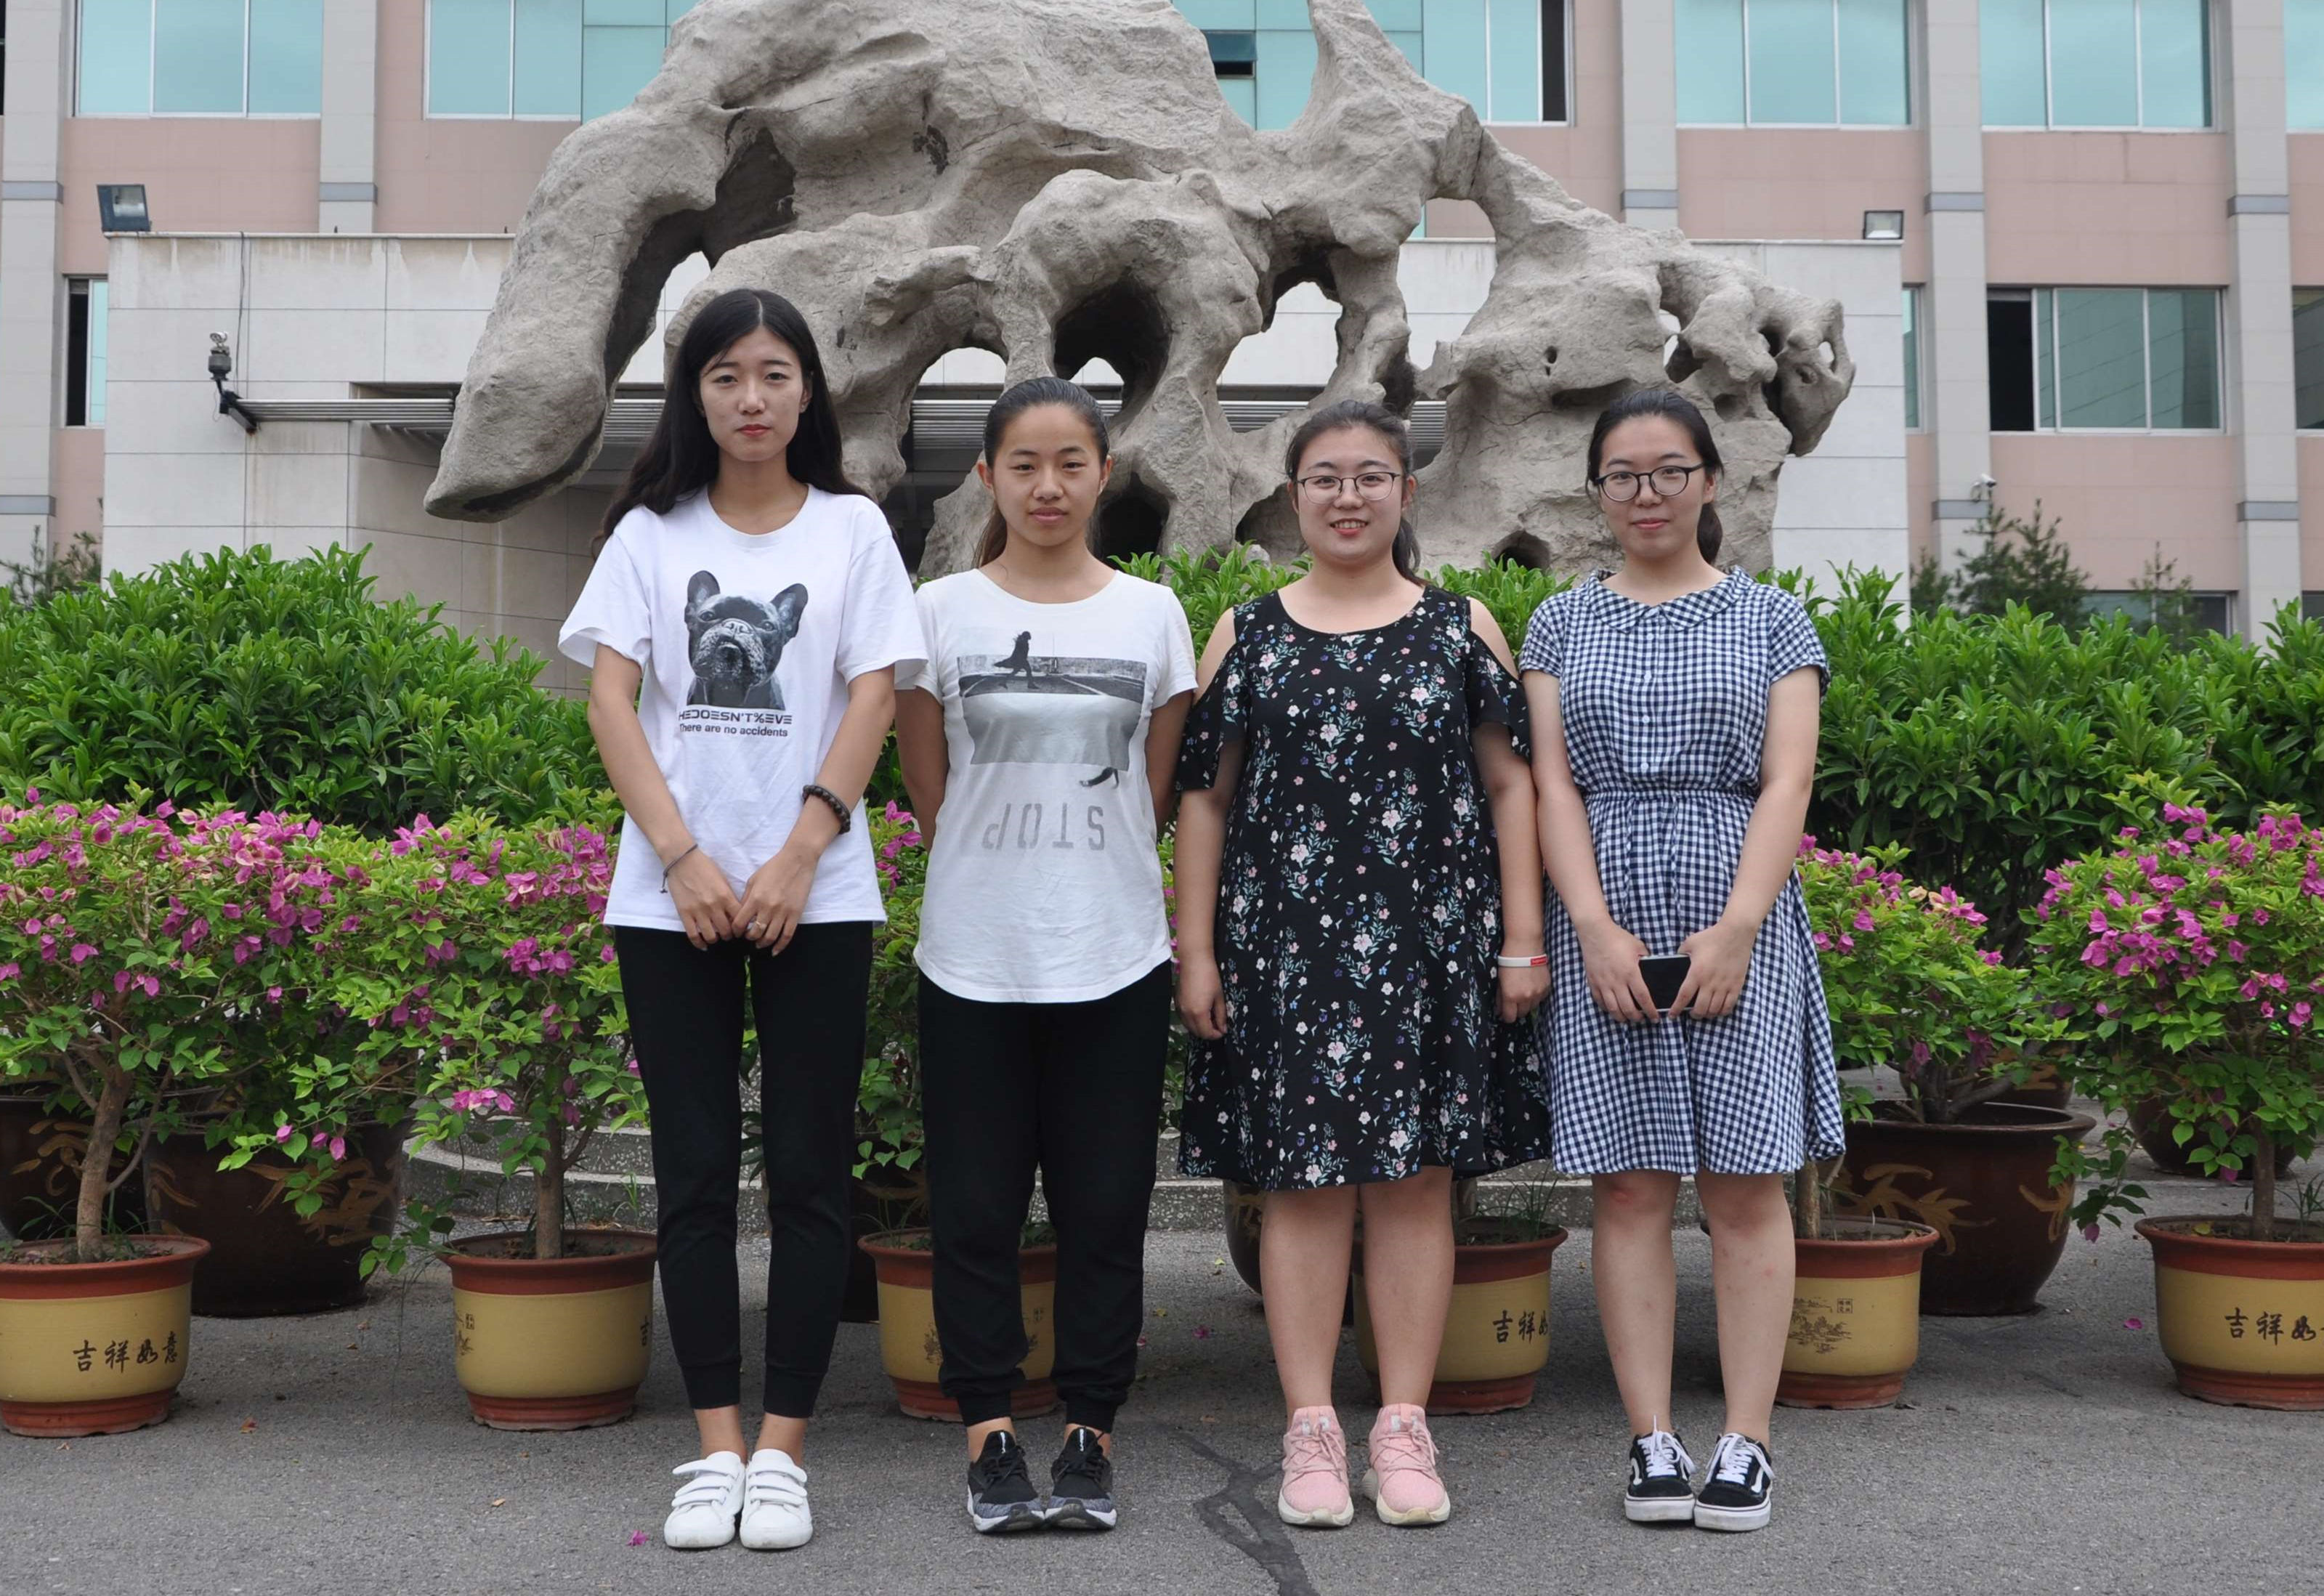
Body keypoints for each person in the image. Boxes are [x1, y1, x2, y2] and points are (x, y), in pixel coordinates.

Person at [559, 287, 923, 1553]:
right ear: (695, 395)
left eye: (773, 373)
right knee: (696, 1171)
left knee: (814, 1174)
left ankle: (784, 1450)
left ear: (808, 389)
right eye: (725, 376)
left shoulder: (853, 530)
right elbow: (612, 703)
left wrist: (800, 851)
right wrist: (684, 858)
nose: (751, 397)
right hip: (672, 899)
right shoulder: (649, 536)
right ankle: (715, 1444)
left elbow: (874, 695)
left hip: (818, 892)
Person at [1173, 398, 1550, 1531]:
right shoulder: (1246, 632)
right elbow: (1204, 800)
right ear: (1293, 497)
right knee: (1300, 1185)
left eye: (1371, 476)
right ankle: (1311, 1428)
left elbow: (1511, 785)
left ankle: (1402, 1423)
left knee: (1417, 1183)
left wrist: (1521, 938)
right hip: (1286, 950)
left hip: (1432, 948)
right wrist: (1196, 950)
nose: (1348, 496)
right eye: (1325, 478)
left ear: (1406, 491)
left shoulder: (1461, 625)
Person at [1518, 388, 1842, 1534]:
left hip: (1736, 899)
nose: (1645, 493)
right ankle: (1651, 1435)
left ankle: (1747, 1439)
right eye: (1623, 474)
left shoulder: (1773, 619)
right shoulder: (1560, 622)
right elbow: (1553, 784)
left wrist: (1742, 923)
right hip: (1604, 901)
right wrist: (1592, 926)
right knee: (1628, 1182)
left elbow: (1788, 780)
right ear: (1597, 491)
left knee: (1748, 1180)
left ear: (1710, 481)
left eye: (1668, 471)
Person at [896, 376, 1195, 1534]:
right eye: (1023, 463)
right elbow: (931, 790)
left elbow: (1154, 793)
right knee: (975, 1209)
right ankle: (987, 1432)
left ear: (1103, 473)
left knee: (1105, 1207)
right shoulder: (939, 612)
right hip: (973, 954)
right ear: (988, 476)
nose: (1048, 485)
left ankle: (1090, 1431)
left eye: (1071, 462)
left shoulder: (1151, 614)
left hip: (1114, 952)